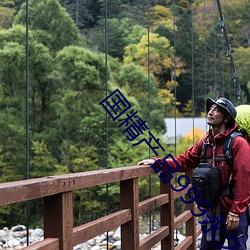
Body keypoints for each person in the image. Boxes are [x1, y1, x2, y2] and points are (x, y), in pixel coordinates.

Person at [137, 97, 250, 250]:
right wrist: (158, 162)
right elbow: (184, 161)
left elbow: (244, 178)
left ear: (227, 118)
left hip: (233, 210)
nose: (210, 112)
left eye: (216, 110)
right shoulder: (205, 143)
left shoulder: (238, 143)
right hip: (212, 209)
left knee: (237, 248)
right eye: (210, 109)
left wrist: (236, 212)